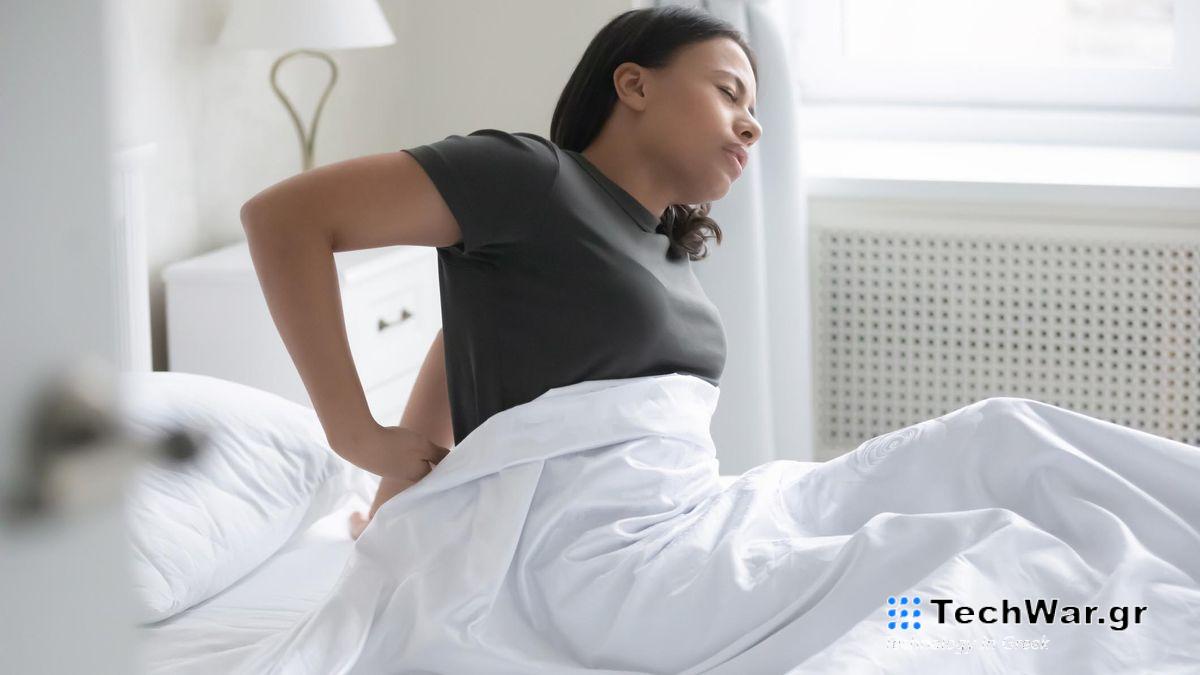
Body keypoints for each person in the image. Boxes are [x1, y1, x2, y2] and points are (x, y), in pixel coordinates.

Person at [238, 6, 761, 542]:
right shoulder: (533, 177)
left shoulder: (666, 255)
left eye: (752, 107)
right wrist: (355, 433)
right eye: (728, 92)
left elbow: (470, 338)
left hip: (674, 519)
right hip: (584, 551)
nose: (752, 124)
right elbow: (283, 217)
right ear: (634, 85)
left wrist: (384, 517)